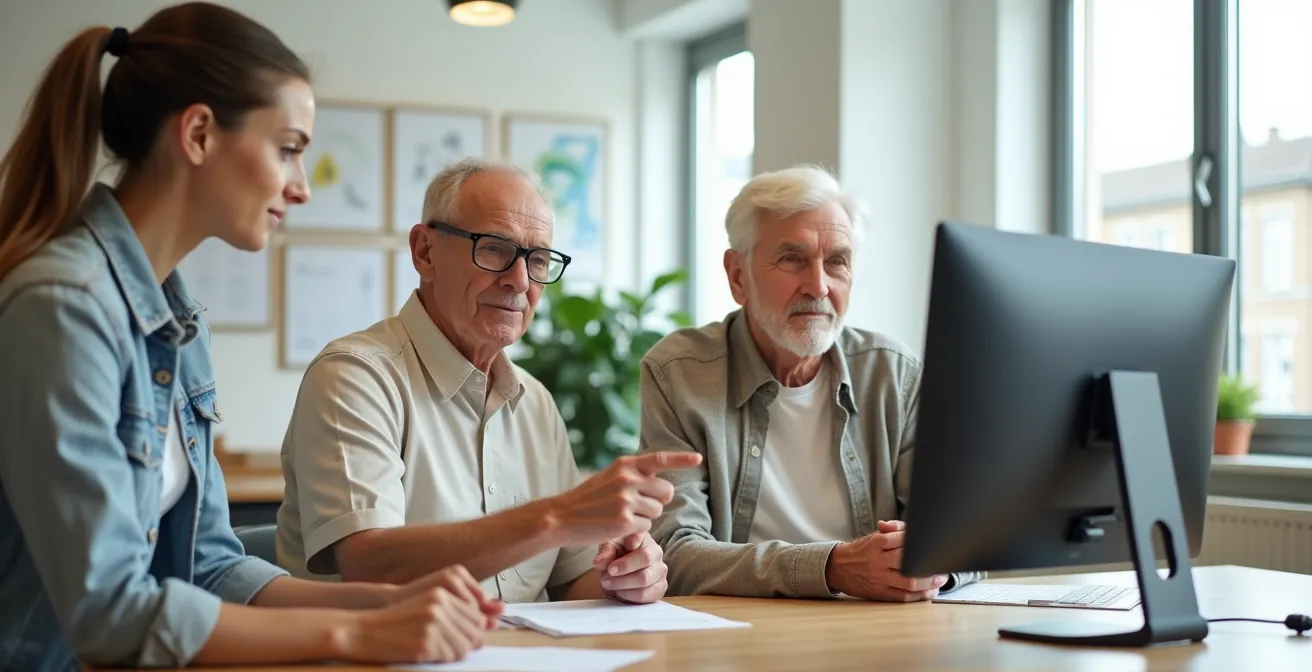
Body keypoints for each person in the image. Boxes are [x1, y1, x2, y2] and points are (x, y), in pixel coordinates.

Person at [0, 5, 501, 670]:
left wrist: (385, 602)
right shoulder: (63, 307)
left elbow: (206, 567)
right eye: (289, 149)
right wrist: (359, 637)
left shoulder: (176, 320)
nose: (301, 188)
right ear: (200, 134)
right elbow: (109, 611)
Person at [275, 157, 702, 605]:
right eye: (495, 248)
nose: (519, 280)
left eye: (538, 260)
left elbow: (570, 581)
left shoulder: (534, 401)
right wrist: (555, 518)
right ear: (425, 252)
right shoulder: (355, 376)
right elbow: (369, 564)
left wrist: (626, 575)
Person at [639, 165, 983, 601]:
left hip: (877, 627)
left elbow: (968, 536)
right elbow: (674, 552)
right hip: (739, 632)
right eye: (792, 259)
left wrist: (927, 565)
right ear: (738, 275)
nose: (818, 285)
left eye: (837, 261)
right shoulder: (681, 373)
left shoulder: (894, 374)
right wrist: (832, 567)